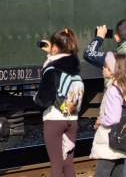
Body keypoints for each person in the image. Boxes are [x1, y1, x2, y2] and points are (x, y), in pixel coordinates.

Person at [84, 20, 126, 177]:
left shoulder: (114, 58)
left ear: (116, 38)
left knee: (122, 160)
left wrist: (99, 37)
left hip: (120, 119)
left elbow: (89, 54)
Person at [33, 28, 81, 177]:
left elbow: (44, 99)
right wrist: (50, 54)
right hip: (72, 119)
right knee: (68, 163)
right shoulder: (76, 67)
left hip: (54, 119)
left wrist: (35, 99)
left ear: (55, 47)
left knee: (56, 164)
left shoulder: (51, 69)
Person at [90, 53, 126, 177]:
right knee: (117, 173)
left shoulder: (114, 90)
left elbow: (113, 118)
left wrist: (100, 120)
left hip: (110, 139)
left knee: (101, 174)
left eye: (105, 67)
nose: (102, 69)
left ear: (113, 70)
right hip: (122, 137)